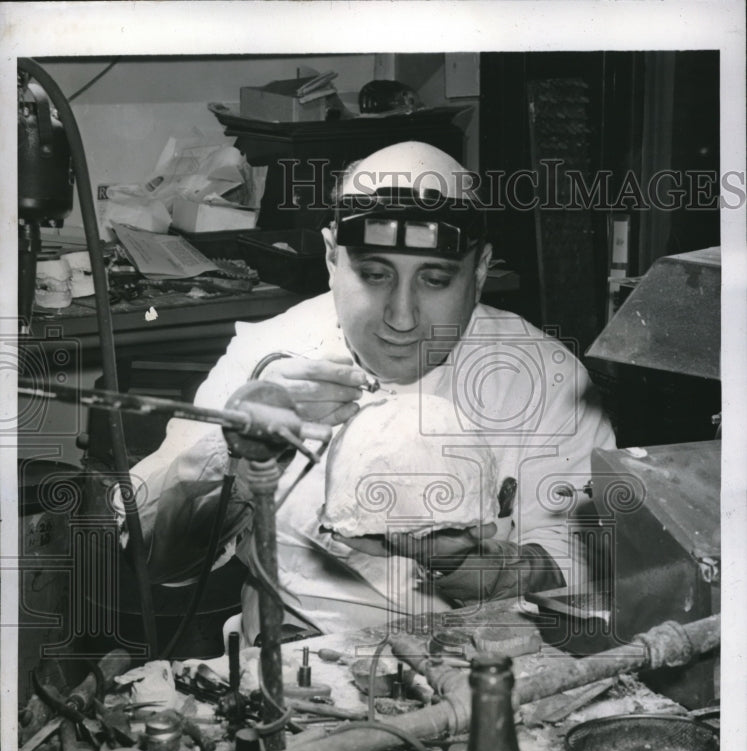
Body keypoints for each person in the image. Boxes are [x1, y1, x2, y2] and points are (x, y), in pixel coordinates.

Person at [128, 141, 615, 642]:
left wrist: (460, 562)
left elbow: (582, 565)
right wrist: (234, 454)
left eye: (436, 278)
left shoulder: (543, 377)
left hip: (477, 663)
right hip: (299, 661)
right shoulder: (268, 359)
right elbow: (156, 559)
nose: (401, 318)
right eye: (374, 274)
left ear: (482, 269)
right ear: (331, 257)